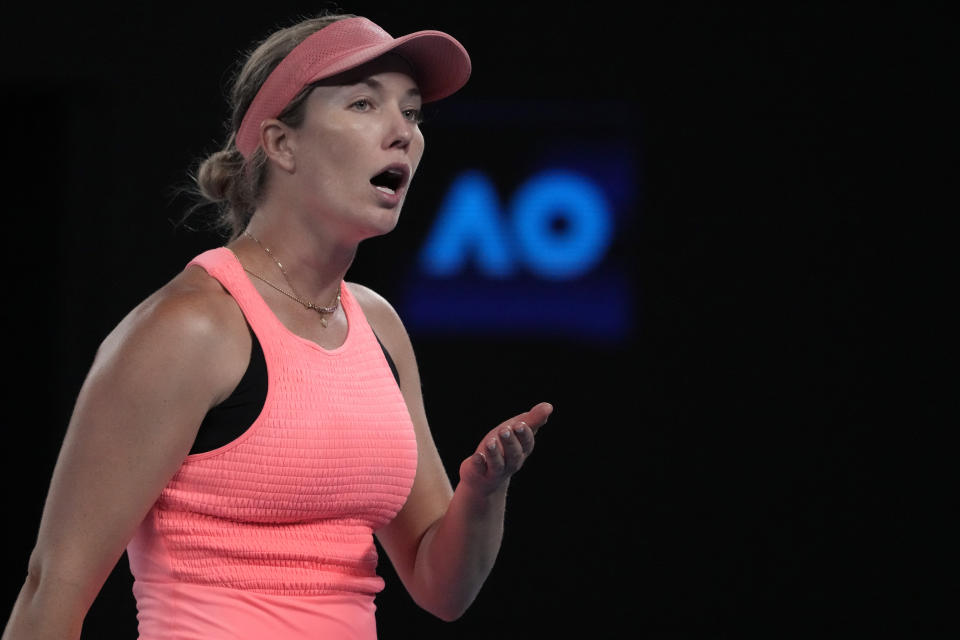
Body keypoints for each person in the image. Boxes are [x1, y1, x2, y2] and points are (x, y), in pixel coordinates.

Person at [2, 12, 552, 640]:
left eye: (412, 111)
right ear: (281, 143)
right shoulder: (192, 328)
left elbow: (440, 587)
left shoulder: (379, 326)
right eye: (365, 104)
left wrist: (481, 493)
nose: (401, 132)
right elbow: (53, 590)